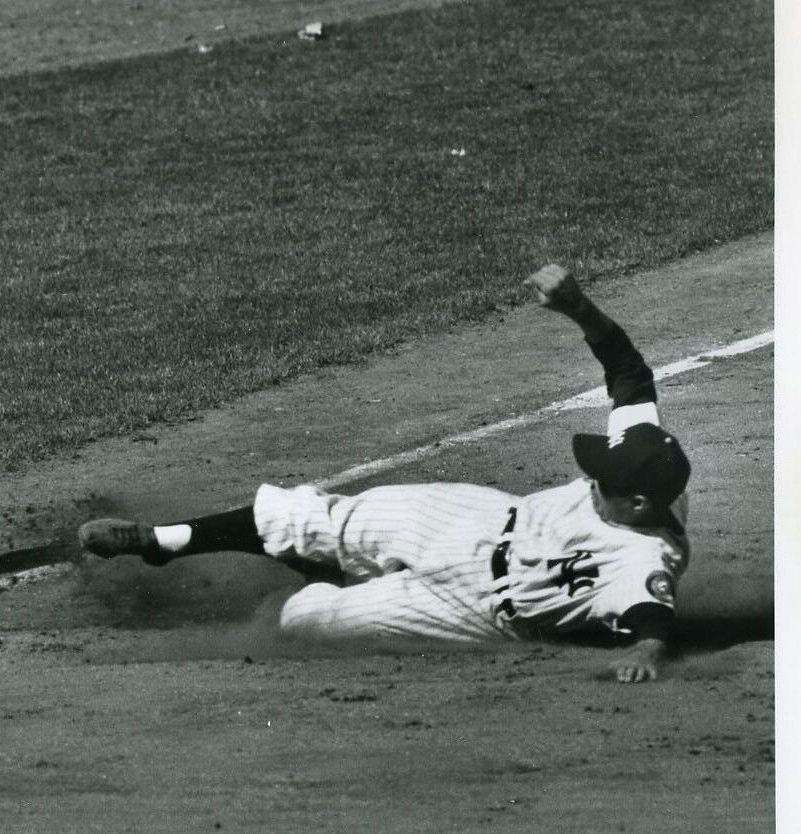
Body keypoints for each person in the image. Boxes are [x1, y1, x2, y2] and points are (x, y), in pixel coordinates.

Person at [78, 265, 691, 684]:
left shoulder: (643, 560)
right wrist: (579, 307)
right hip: (475, 520)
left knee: (303, 621)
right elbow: (630, 372)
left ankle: (326, 577)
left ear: (639, 505)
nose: (590, 480)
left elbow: (653, 621)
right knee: (315, 515)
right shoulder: (646, 454)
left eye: (603, 483)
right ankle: (161, 541)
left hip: (473, 609)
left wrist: (644, 653)